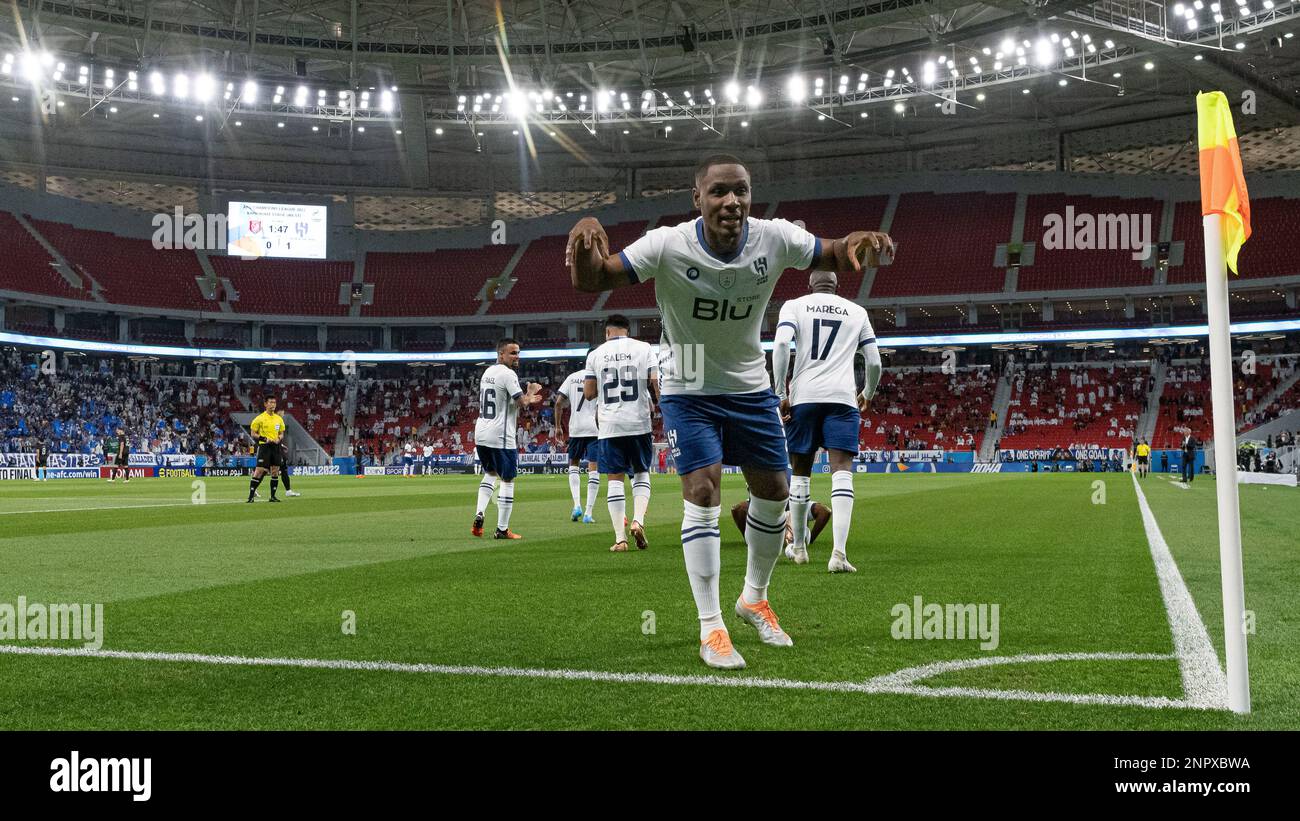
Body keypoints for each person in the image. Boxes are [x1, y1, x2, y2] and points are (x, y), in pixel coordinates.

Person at [567, 152, 894, 670]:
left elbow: (830, 251)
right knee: (703, 489)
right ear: (697, 198)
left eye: (740, 190)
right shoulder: (668, 243)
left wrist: (856, 242)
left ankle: (753, 599)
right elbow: (593, 280)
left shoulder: (774, 236)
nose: (732, 201)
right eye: (719, 191)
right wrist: (586, 233)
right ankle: (711, 627)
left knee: (775, 491)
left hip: (749, 385)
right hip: (688, 382)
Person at [772, 269, 881, 572]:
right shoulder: (857, 311)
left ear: (809, 285)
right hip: (842, 398)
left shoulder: (794, 305)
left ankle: (798, 549)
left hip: (804, 396)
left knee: (801, 472)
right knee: (842, 470)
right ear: (837, 286)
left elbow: (781, 346)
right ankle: (839, 555)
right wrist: (867, 392)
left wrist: (781, 392)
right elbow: (873, 360)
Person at [583, 315, 658, 552]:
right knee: (641, 473)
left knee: (615, 478)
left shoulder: (595, 354)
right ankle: (638, 520)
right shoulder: (644, 348)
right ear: (628, 330)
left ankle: (620, 539)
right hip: (638, 422)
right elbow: (656, 383)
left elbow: (588, 393)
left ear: (607, 332)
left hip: (609, 425)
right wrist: (657, 403)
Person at [471, 339, 543, 539]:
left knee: (490, 473)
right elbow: (520, 402)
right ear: (501, 354)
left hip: (482, 432)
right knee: (508, 479)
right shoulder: (508, 374)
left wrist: (526, 396)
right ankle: (502, 529)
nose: (517, 357)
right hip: (500, 436)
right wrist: (530, 393)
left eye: (518, 353)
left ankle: (480, 512)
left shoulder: (488, 372)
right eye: (512, 353)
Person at [554, 357, 601, 524]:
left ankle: (576, 505)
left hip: (576, 429)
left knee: (573, 464)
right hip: (595, 428)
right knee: (593, 469)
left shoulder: (571, 378)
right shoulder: (599, 377)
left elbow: (558, 403)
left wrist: (558, 426)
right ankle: (588, 513)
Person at [246, 397, 286, 503]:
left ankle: (272, 496)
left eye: (274, 402)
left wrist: (279, 438)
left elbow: (281, 433)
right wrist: (264, 438)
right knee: (259, 471)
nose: (273, 404)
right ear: (265, 404)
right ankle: (250, 497)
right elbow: (253, 433)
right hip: (265, 447)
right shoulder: (259, 418)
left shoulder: (279, 419)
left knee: (275, 471)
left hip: (276, 447)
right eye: (271, 402)